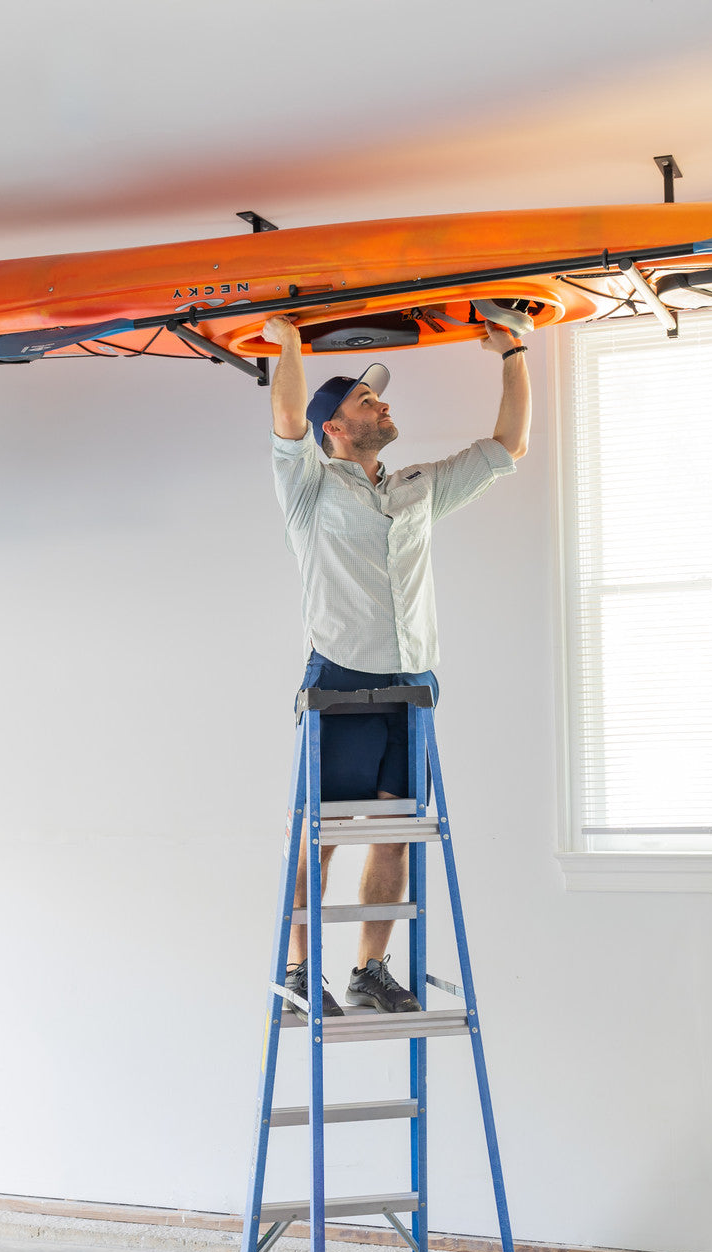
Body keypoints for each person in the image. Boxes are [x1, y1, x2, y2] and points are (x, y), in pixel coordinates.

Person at [264, 312, 530, 1018]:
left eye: (379, 398)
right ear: (335, 428)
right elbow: (285, 420)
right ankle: (298, 971)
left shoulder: (417, 487)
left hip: (412, 684)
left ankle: (369, 971)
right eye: (366, 401)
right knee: (321, 835)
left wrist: (513, 353)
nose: (382, 405)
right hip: (341, 680)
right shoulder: (309, 489)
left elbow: (509, 446)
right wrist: (289, 343)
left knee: (396, 832)